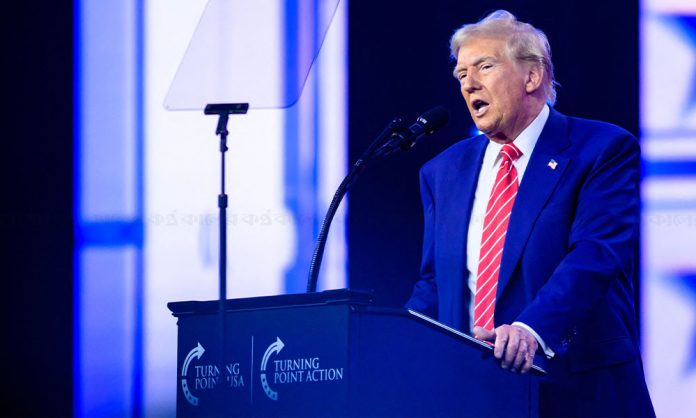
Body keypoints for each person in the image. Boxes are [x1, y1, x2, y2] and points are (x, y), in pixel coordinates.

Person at [405, 10, 655, 417]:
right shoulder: (442, 171)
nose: (469, 83)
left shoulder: (601, 149)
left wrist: (530, 330)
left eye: (485, 67)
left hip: (577, 391)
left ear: (532, 76)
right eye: (461, 74)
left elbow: (595, 256)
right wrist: (396, 344)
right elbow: (435, 283)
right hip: (474, 395)